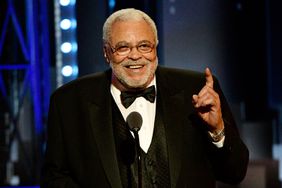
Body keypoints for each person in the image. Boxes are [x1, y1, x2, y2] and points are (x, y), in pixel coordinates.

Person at [41, 8, 249, 188]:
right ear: (107, 53)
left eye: (144, 46)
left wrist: (217, 130)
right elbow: (54, 179)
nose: (135, 55)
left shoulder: (196, 90)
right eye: (123, 47)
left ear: (155, 48)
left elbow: (234, 173)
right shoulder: (68, 102)